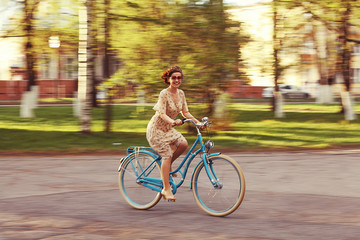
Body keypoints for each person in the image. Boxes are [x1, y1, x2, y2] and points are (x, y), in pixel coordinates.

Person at [146, 66, 200, 201]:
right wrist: (173, 122)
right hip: (156, 130)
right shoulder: (164, 93)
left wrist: (198, 122)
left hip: (168, 129)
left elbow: (185, 112)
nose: (177, 80)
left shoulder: (181, 93)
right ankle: (166, 189)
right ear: (169, 79)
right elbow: (161, 113)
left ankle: (168, 165)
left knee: (183, 144)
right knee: (166, 154)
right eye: (174, 77)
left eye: (179, 78)